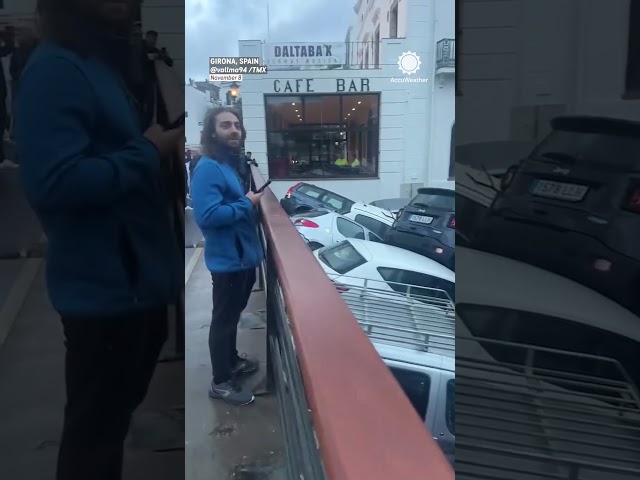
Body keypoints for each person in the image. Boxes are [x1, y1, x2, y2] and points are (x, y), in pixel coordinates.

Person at [13, 0, 184, 479]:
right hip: (105, 293)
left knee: (107, 427)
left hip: (136, 287)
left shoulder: (103, 60)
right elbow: (55, 183)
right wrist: (148, 150)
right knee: (94, 440)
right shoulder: (56, 69)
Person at [190, 107, 264, 406]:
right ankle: (220, 382)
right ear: (211, 132)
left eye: (236, 125)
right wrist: (246, 203)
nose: (234, 130)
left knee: (231, 316)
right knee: (223, 320)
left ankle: (231, 361)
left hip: (241, 258)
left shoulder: (227, 164)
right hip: (228, 261)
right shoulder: (208, 167)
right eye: (225, 125)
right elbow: (207, 216)